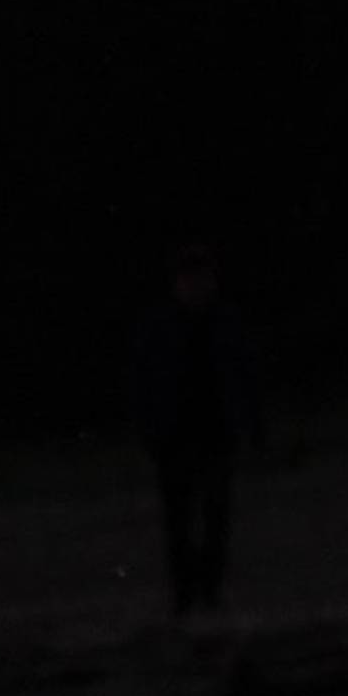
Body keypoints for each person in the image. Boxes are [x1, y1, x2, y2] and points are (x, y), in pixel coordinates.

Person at [136, 251, 244, 621]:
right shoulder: (161, 326)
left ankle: (209, 591)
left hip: (215, 434)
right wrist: (152, 431)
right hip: (175, 438)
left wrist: (245, 424)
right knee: (179, 521)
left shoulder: (224, 321)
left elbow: (242, 375)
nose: (197, 286)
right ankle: (185, 595)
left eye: (203, 278)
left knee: (215, 517)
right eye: (190, 278)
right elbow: (145, 381)